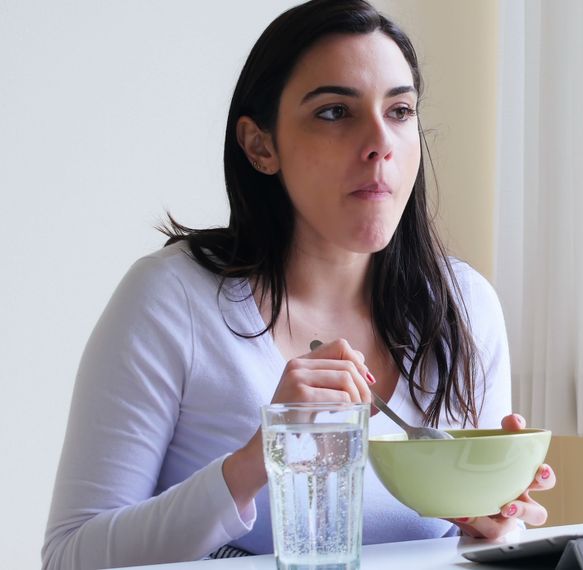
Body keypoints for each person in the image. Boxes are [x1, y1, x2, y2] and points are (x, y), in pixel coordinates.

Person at [41, 1, 555, 568]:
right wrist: (259, 458)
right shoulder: (172, 300)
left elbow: (467, 544)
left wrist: (493, 526)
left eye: (401, 110)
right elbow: (71, 556)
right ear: (261, 146)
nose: (379, 142)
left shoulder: (465, 307)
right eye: (335, 112)